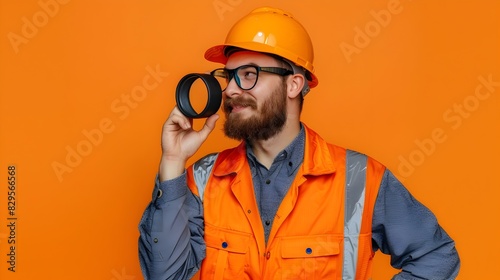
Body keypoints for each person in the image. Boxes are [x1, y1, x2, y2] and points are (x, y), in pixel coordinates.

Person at [138, 6, 460, 280]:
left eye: (248, 74)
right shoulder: (200, 180)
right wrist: (172, 162)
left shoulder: (360, 180)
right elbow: (166, 275)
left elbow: (436, 255)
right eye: (227, 76)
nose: (231, 90)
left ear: (294, 84)